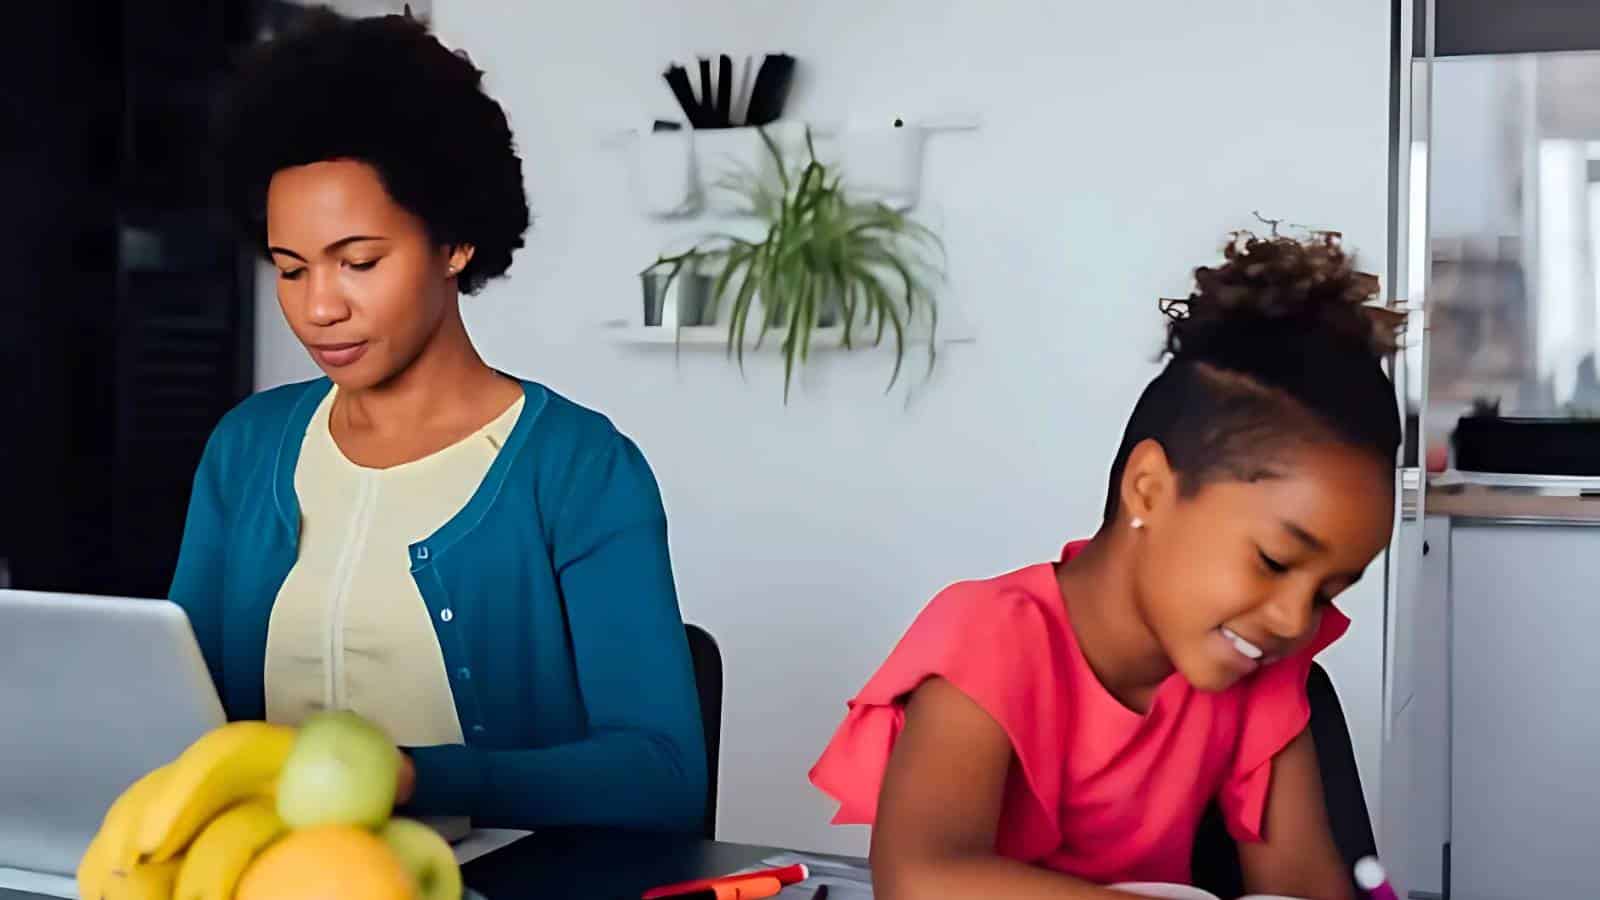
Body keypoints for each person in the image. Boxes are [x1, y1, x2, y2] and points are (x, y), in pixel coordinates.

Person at [170, 10, 706, 833]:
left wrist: (414, 779)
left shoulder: (579, 470)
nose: (318, 307)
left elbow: (661, 775)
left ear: (453, 242)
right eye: (290, 268)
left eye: (359, 262)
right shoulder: (246, 452)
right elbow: (177, 716)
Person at [810, 232, 1400, 900]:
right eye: (1273, 561)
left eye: (1328, 592)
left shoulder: (1260, 670)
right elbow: (921, 879)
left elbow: (1301, 888)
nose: (1295, 619)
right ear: (1149, 489)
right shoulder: (994, 637)